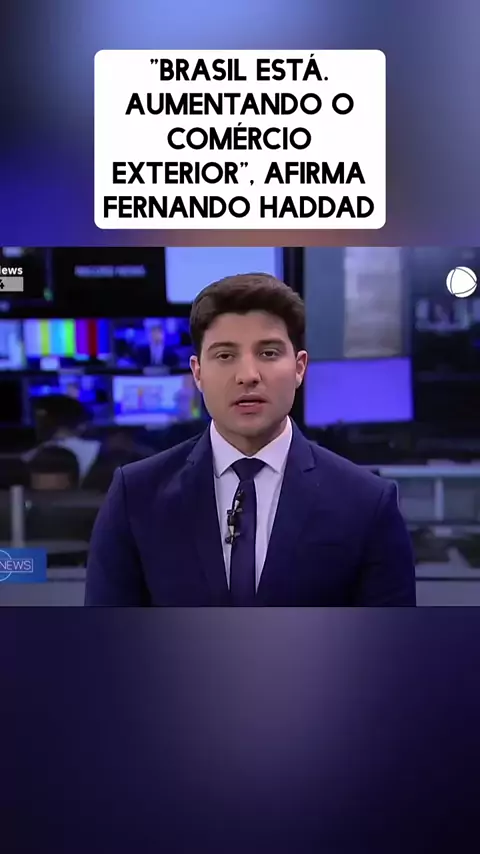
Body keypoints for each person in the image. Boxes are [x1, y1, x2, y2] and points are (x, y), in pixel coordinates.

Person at [85, 273, 416, 606]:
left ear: (299, 367)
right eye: (225, 356)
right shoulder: (136, 496)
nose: (248, 376)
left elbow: (388, 639)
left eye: (268, 353)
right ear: (198, 373)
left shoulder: (367, 504)